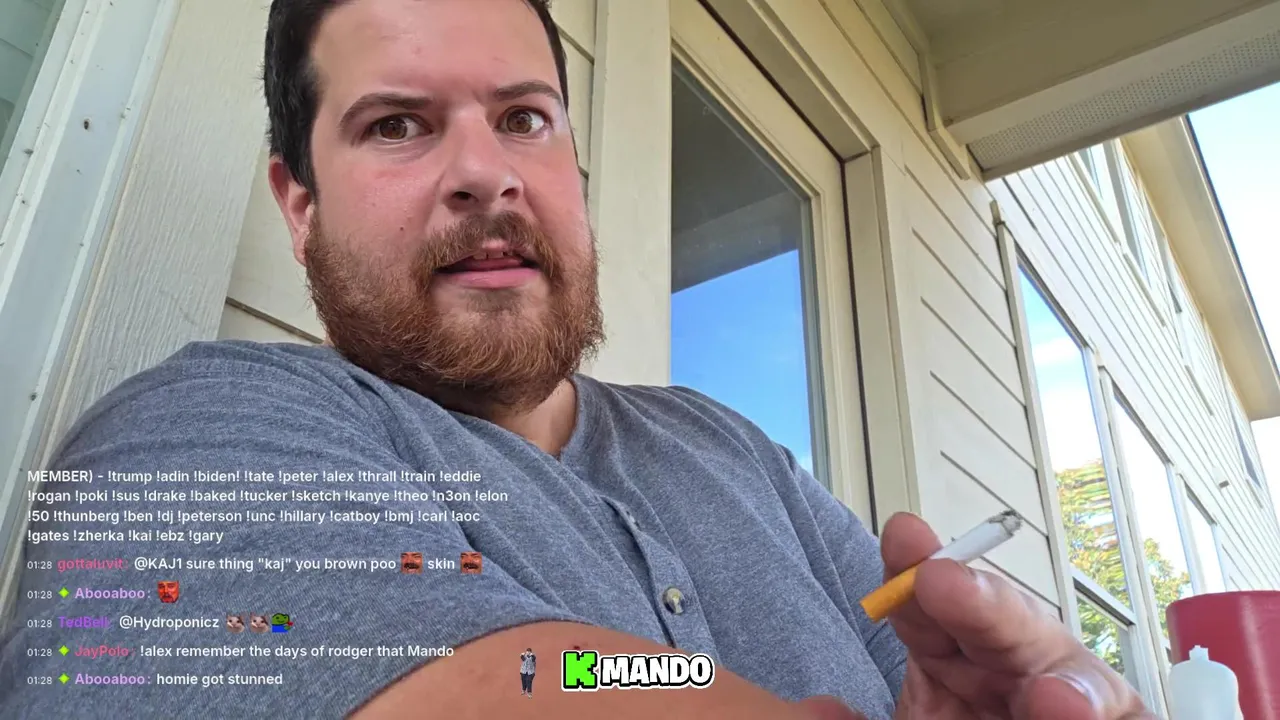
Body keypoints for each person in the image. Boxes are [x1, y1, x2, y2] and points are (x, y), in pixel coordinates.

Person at [0, 1, 1156, 718]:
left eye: (524, 118)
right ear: (299, 205)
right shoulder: (206, 436)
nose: (486, 174)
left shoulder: (736, 453)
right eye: (397, 124)